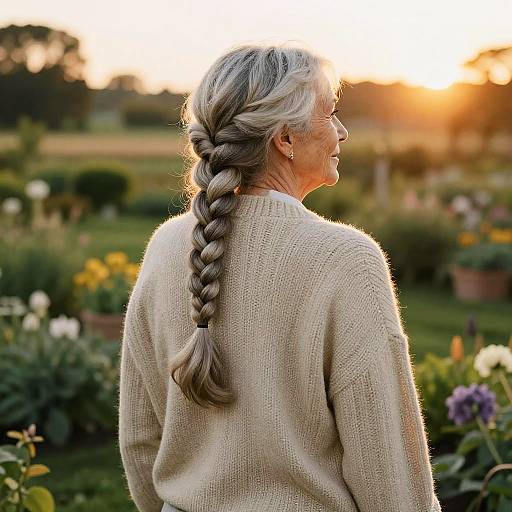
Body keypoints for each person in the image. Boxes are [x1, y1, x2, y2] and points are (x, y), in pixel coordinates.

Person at [118, 42, 442, 512]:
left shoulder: (166, 246)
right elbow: (389, 473)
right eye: (330, 114)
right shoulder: (346, 260)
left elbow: (140, 440)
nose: (342, 131)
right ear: (285, 139)